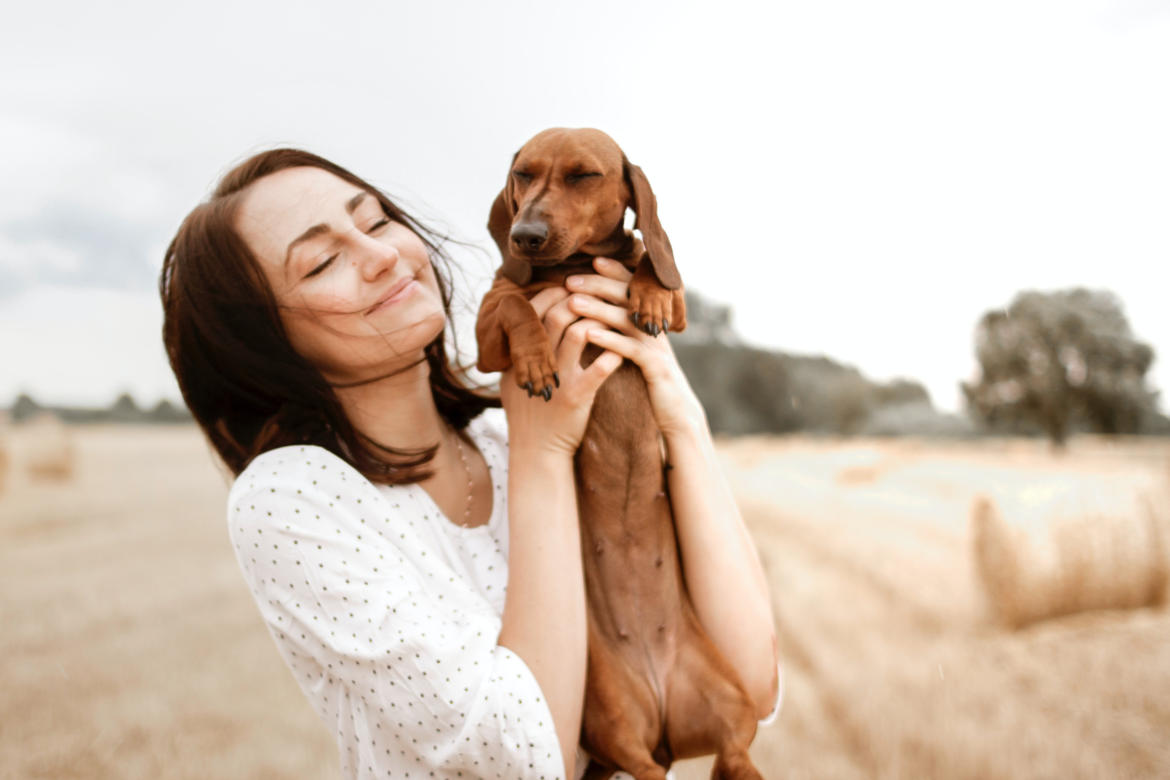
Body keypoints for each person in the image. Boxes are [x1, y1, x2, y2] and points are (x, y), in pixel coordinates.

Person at [161, 148, 780, 780]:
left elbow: (751, 685)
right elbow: (527, 760)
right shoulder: (291, 499)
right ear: (259, 339)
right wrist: (543, 457)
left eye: (376, 222)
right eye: (322, 262)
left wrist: (678, 410)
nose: (382, 257)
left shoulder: (506, 430)